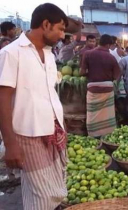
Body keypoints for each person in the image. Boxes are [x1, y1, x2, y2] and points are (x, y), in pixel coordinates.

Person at [0, 4, 68, 210]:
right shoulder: (11, 53)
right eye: (60, 28)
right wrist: (10, 144)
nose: (63, 35)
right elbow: (2, 99)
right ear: (45, 24)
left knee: (44, 190)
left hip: (51, 131)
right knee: (47, 194)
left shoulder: (49, 55)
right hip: (28, 134)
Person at [80, 34, 120, 137]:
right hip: (108, 89)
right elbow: (117, 75)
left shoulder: (88, 54)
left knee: (92, 114)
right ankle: (108, 134)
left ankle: (93, 134)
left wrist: (91, 73)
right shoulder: (111, 57)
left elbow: (82, 72)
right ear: (108, 45)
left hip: (93, 89)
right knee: (107, 114)